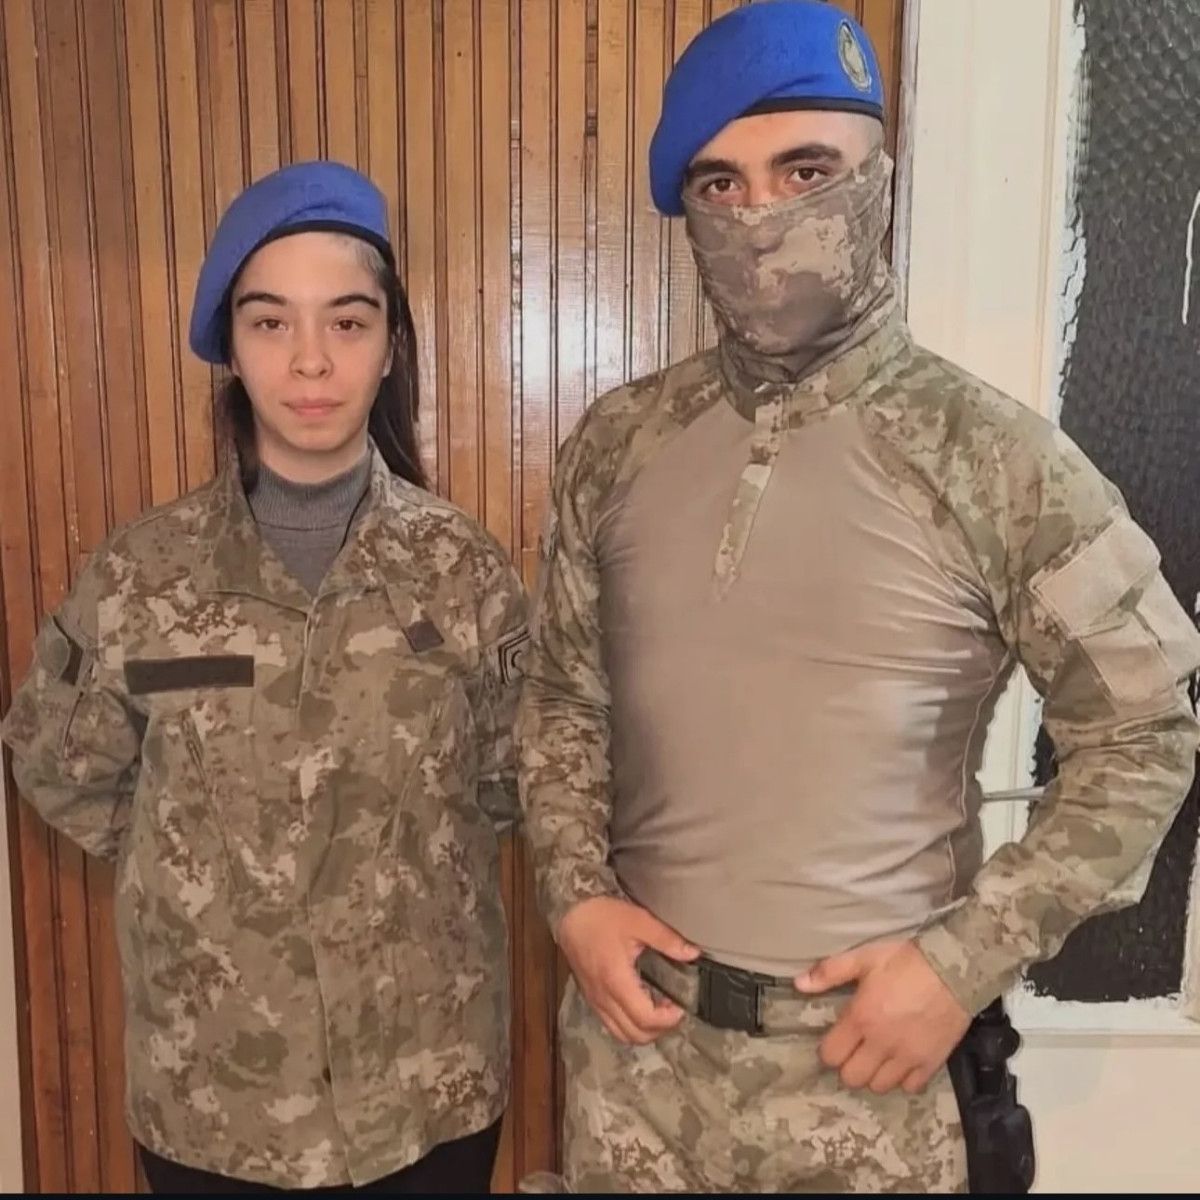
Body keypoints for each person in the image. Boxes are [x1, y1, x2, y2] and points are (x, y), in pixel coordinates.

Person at [516, 2, 1200, 1192]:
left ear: (878, 180)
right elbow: (562, 697)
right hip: (637, 1070)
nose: (762, 217)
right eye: (721, 186)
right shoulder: (616, 447)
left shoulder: (999, 462)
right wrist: (574, 896)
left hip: (871, 1077)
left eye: (806, 171)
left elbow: (1146, 733)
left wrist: (961, 962)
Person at [1, 161, 528, 1194]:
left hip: (427, 1087)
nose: (311, 360)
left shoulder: (461, 570)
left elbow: (514, 780)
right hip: (215, 1097)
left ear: (390, 345)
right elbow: (57, 762)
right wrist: (206, 866)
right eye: (271, 322)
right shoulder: (143, 575)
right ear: (231, 349)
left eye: (348, 322)